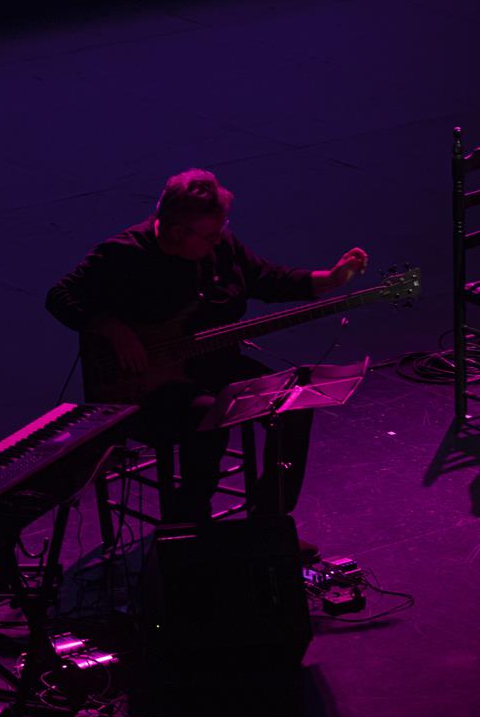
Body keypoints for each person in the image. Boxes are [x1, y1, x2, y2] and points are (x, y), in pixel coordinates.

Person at [46, 168, 369, 523]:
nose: (220, 240)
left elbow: (266, 278)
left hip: (210, 362)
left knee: (292, 405)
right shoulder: (124, 254)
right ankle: (189, 528)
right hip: (142, 385)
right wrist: (114, 329)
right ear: (175, 231)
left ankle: (269, 521)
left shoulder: (220, 246)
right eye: (211, 235)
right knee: (209, 415)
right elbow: (60, 297)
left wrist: (332, 278)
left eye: (222, 230)